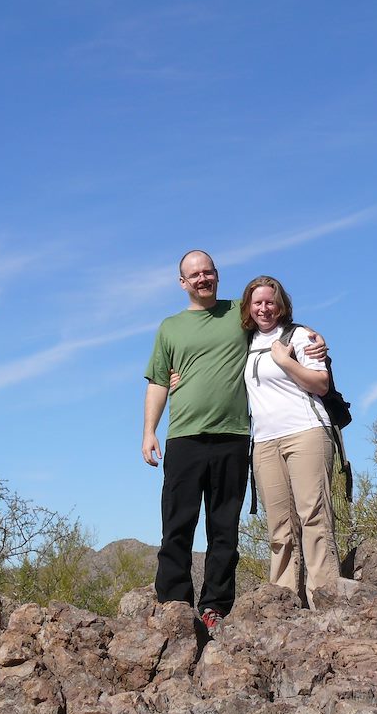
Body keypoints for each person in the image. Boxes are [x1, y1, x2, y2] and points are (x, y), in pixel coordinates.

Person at [141, 250, 324, 633]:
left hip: (234, 437)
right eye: (194, 275)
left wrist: (314, 340)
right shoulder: (170, 328)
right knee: (177, 524)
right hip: (185, 436)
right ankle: (173, 603)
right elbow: (159, 381)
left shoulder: (238, 314)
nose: (202, 279)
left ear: (217, 276)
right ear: (182, 282)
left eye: (208, 272)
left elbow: (273, 317)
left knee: (224, 527)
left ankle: (216, 606)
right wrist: (149, 431)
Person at [241, 274, 341, 607]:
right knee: (279, 525)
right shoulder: (244, 342)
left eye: (271, 302)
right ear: (248, 307)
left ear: (282, 304)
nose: (264, 308)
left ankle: (324, 598)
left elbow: (321, 383)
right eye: (258, 303)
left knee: (313, 515)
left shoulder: (299, 336)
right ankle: (282, 601)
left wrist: (284, 360)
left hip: (306, 432)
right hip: (265, 441)